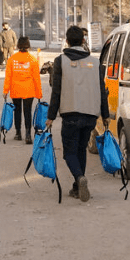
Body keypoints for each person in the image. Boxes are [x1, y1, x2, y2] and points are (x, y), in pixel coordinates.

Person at [45, 26, 110, 203]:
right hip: (90, 115)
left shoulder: (60, 61)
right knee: (81, 149)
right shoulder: (96, 63)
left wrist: (50, 116)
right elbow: (102, 91)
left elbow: (56, 92)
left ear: (66, 41)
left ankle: (80, 178)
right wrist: (105, 115)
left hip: (70, 114)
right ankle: (76, 187)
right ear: (83, 41)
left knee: (69, 153)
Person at [3, 36, 43, 145]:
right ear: (28, 46)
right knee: (27, 111)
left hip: (15, 89)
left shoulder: (12, 59)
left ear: (18, 46)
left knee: (17, 111)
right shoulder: (33, 60)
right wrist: (39, 93)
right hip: (28, 90)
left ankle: (18, 133)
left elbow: (8, 77)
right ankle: (28, 134)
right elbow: (36, 78)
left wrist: (5, 91)